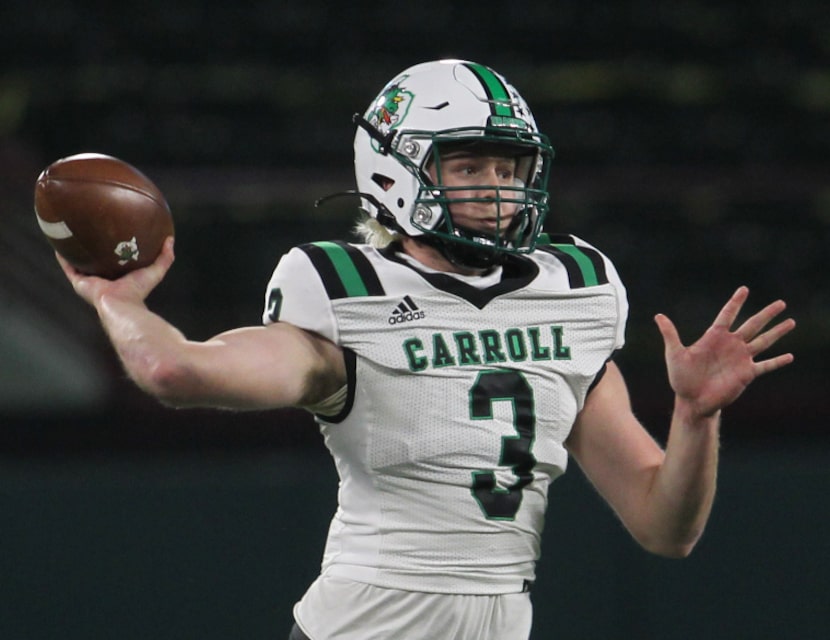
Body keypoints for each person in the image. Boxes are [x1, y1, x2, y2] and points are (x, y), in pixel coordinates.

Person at [57, 60, 795, 640]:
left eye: (509, 169)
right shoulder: (344, 288)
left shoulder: (575, 289)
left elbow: (665, 527)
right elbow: (175, 370)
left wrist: (695, 418)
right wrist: (117, 302)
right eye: (470, 167)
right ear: (392, 171)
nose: (498, 189)